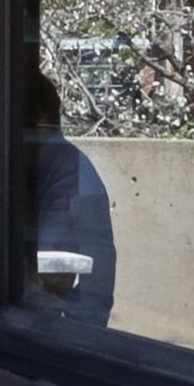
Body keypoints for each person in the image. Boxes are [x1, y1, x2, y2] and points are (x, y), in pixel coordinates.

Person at [18, 69, 118, 329]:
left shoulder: (67, 173)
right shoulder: (53, 164)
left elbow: (53, 275)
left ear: (39, 120)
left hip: (66, 329)